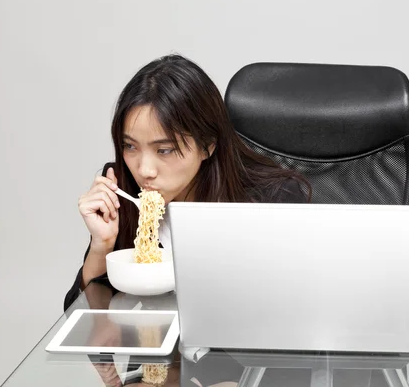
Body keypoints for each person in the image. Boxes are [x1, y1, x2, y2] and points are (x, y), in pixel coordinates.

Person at [64, 54, 310, 311]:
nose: (144, 170)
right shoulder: (120, 188)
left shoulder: (273, 200)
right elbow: (86, 327)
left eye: (165, 150)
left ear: (207, 146)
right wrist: (101, 245)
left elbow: (293, 312)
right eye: (130, 146)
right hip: (155, 347)